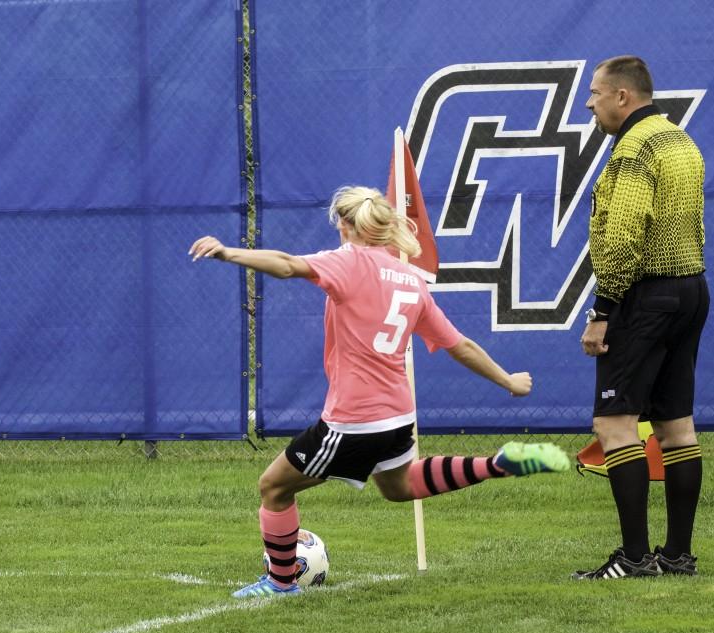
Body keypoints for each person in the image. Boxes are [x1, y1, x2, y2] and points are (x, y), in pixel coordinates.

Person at [190, 185, 570, 597]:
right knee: (398, 487)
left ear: (346, 225)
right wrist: (508, 380)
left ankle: (282, 582)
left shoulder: (348, 262)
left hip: (354, 419)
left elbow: (286, 265)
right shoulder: (410, 278)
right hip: (398, 416)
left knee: (274, 487)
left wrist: (230, 252)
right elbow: (458, 344)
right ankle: (497, 464)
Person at [575, 55, 708, 579]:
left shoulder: (633, 149)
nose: (590, 104)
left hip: (644, 296)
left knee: (613, 423)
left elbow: (625, 235)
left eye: (595, 93)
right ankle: (676, 556)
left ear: (622, 97)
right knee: (676, 426)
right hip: (691, 288)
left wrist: (603, 310)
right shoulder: (680, 139)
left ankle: (634, 558)